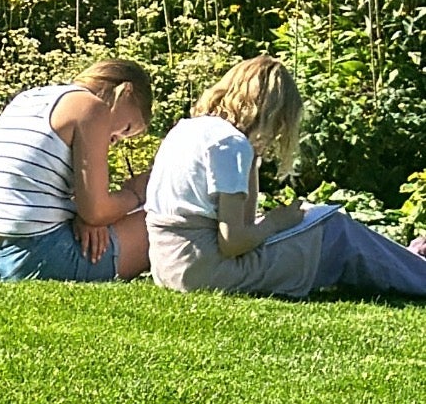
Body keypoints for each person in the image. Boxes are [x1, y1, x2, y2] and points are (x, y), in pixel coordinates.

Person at [145, 55, 426, 300]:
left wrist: (252, 160)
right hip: (208, 271)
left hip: (170, 267)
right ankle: (417, 270)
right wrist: (277, 222)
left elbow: (239, 222)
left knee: (320, 225)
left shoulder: (187, 129)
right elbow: (233, 242)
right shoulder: (230, 143)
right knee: (335, 229)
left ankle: (411, 261)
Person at [0, 58, 153, 283]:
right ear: (126, 91)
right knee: (159, 219)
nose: (116, 139)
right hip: (40, 255)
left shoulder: (31, 98)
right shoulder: (91, 108)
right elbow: (97, 211)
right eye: (126, 128)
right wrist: (135, 194)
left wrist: (87, 215)